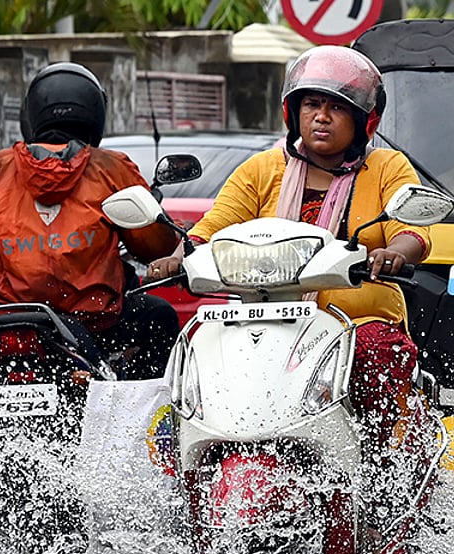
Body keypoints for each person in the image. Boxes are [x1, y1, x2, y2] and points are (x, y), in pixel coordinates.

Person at [147, 46, 432, 459]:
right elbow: (212, 229)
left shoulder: (387, 167)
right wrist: (178, 256)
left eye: (337, 107)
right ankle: (190, 469)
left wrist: (393, 253)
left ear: (363, 120)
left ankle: (380, 467)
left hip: (356, 323)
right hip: (258, 319)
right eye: (312, 104)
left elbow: (414, 230)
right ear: (293, 111)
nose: (321, 116)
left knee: (376, 351)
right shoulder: (262, 169)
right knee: (198, 351)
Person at [0, 62, 182, 378]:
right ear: (96, 111)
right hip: (96, 323)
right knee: (161, 317)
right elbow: (154, 244)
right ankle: (138, 417)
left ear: (32, 112)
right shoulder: (110, 167)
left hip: (10, 326)